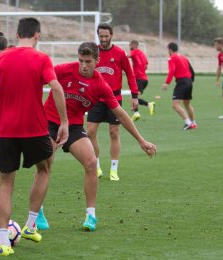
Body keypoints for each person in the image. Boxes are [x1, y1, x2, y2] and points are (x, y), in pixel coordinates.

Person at [0, 18, 68, 257]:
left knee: (6, 183)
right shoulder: (42, 58)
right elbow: (56, 88)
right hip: (34, 129)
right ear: (37, 35)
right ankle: (30, 225)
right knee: (44, 169)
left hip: (6, 131)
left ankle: (4, 242)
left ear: (16, 34)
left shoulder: (0, 58)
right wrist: (64, 122)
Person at [38, 42, 157, 232]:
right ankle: (38, 212)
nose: (83, 66)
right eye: (80, 61)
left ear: (97, 61)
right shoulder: (63, 70)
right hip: (51, 123)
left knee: (92, 163)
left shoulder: (101, 84)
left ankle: (91, 216)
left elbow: (120, 113)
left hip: (75, 126)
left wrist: (141, 140)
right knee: (45, 165)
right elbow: (36, 80)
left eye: (88, 61)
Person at [87, 23, 139, 181]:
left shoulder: (119, 53)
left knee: (114, 133)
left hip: (114, 98)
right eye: (101, 36)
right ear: (98, 35)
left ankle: (114, 169)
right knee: (90, 132)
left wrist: (134, 95)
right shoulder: (92, 52)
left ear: (111, 35)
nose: (103, 39)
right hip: (95, 98)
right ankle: (96, 166)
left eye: (106, 36)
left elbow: (130, 75)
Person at [162, 42, 196, 130]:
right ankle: (193, 123)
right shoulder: (184, 57)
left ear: (170, 49)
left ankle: (188, 122)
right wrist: (189, 81)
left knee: (175, 104)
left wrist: (167, 82)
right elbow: (192, 71)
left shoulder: (171, 58)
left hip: (182, 82)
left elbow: (172, 70)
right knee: (187, 104)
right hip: (188, 82)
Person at [128, 40, 155, 118]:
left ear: (133, 45)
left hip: (139, 79)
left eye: (130, 45)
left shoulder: (134, 51)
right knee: (134, 97)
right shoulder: (142, 54)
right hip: (144, 79)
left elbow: (127, 56)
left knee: (133, 97)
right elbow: (146, 66)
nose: (130, 47)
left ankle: (136, 112)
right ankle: (144, 107)